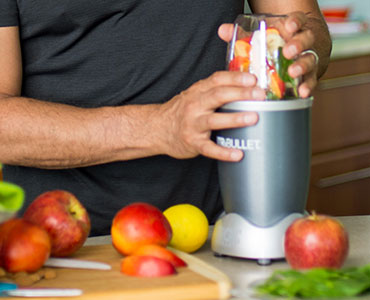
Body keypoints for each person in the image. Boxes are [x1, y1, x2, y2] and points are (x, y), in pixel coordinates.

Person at [0, 0, 331, 236]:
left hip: (220, 232)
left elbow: (304, 22)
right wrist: (160, 126)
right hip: (57, 247)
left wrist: (300, 49)